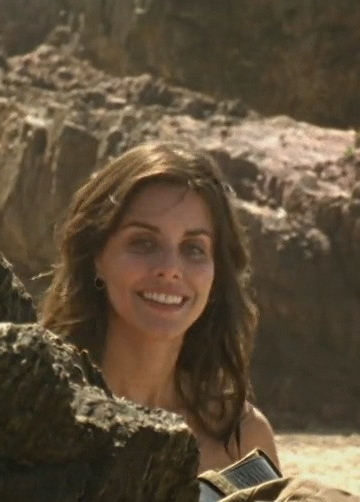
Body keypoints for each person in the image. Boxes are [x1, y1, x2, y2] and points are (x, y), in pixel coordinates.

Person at [40, 141, 279, 474]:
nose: (170, 268)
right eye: (143, 243)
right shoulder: (44, 413)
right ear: (96, 257)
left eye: (193, 248)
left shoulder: (242, 440)